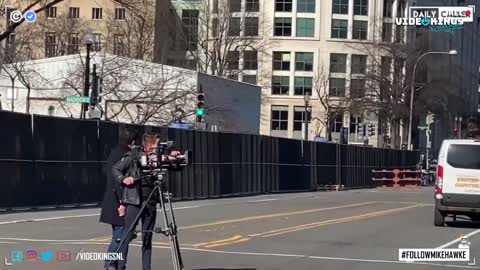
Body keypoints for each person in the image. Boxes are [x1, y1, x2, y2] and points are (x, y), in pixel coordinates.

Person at [113, 132, 181, 270]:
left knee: (147, 238)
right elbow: (116, 169)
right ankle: (120, 267)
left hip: (151, 200)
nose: (156, 149)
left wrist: (176, 159)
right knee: (126, 235)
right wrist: (123, 179)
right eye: (155, 146)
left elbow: (176, 168)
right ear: (148, 146)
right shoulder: (133, 155)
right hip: (134, 200)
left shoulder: (160, 156)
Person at [99, 127, 138, 270]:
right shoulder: (124, 155)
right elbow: (117, 182)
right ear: (132, 142)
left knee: (122, 236)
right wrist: (121, 203)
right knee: (120, 236)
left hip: (113, 200)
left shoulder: (115, 152)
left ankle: (117, 265)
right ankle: (111, 265)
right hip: (118, 201)